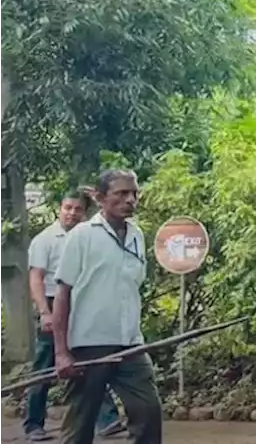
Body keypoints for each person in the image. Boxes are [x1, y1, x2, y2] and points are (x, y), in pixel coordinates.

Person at [53, 169, 162, 444]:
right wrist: (62, 353)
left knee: (148, 412)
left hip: (130, 344)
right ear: (101, 198)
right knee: (81, 424)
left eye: (134, 193)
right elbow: (63, 293)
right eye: (121, 193)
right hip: (89, 345)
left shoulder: (137, 235)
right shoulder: (82, 236)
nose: (130, 200)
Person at [24, 192, 125, 441]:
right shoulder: (45, 239)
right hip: (52, 304)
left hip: (80, 305)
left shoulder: (91, 236)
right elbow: (36, 278)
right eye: (67, 208)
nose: (71, 213)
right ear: (59, 209)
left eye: (77, 209)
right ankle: (33, 424)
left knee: (89, 360)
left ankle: (108, 420)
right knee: (45, 367)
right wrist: (44, 313)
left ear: (84, 213)